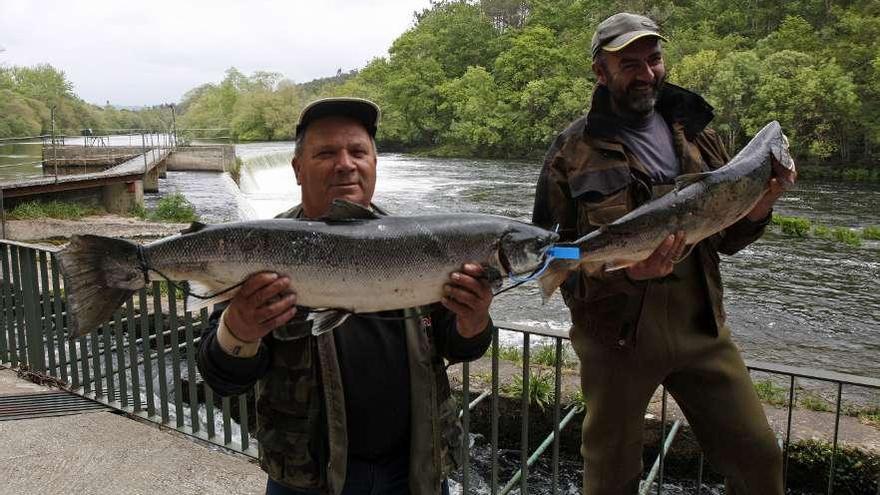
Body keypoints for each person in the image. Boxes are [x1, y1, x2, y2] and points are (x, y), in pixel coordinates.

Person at [531, 13, 796, 495]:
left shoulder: (699, 134)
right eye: (629, 64)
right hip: (615, 337)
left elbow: (726, 239)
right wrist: (631, 273)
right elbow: (553, 255)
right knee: (609, 480)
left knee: (759, 458)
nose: (646, 73)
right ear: (600, 72)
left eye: (653, 59)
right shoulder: (569, 152)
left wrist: (760, 206)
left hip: (701, 328)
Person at [197, 97, 494, 495]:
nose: (345, 164)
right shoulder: (259, 247)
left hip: (417, 470)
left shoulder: (421, 243)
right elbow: (222, 375)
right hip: (308, 480)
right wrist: (238, 330)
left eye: (358, 151)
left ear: (375, 163)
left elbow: (457, 342)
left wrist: (473, 320)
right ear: (297, 169)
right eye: (326, 153)